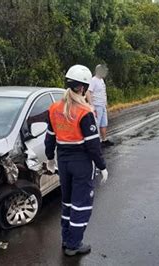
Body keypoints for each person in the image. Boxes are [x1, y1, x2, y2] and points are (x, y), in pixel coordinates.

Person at [45, 64, 108, 256]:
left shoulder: (54, 108)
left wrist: (49, 159)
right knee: (82, 204)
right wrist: (102, 166)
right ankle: (74, 244)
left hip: (63, 161)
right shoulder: (84, 112)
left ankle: (67, 239)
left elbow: (49, 137)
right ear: (83, 87)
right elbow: (93, 145)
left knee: (68, 202)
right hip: (81, 162)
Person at [86, 64, 114, 147]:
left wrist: (106, 103)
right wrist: (91, 105)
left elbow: (103, 93)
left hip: (102, 105)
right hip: (97, 105)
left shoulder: (101, 80)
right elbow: (88, 92)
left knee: (104, 123)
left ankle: (104, 140)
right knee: (96, 124)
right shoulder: (93, 80)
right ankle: (97, 142)